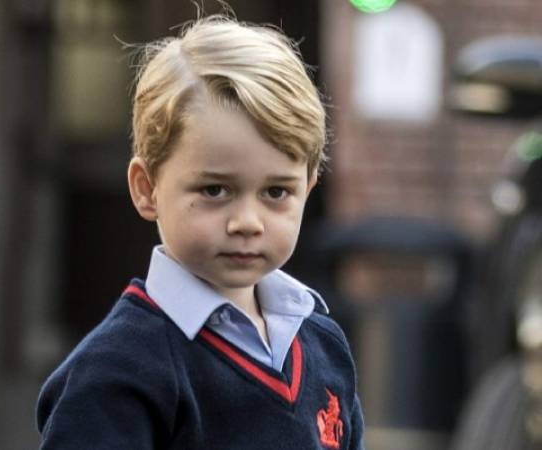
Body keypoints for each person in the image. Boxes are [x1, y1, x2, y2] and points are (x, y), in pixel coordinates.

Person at [36, 14, 364, 450]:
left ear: (308, 191)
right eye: (215, 189)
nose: (247, 221)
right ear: (146, 187)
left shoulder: (325, 346)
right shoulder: (115, 372)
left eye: (276, 192)